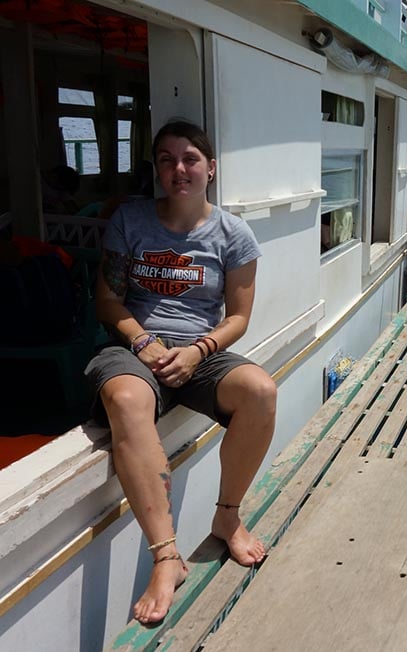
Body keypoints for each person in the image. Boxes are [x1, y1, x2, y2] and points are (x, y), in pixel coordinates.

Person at [85, 120, 276, 625]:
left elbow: (238, 318)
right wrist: (143, 341)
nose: (179, 169)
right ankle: (167, 558)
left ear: (210, 169)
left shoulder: (235, 235)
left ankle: (228, 517)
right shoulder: (130, 221)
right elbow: (107, 300)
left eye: (190, 158)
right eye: (166, 160)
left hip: (200, 351)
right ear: (157, 170)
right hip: (134, 345)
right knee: (126, 400)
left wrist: (197, 351)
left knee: (260, 390)